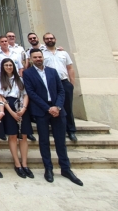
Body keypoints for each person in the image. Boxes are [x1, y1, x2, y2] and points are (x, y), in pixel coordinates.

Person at [24, 49, 83, 186]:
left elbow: (61, 90)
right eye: (35, 57)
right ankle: (48, 169)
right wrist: (47, 108)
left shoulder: (52, 71)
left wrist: (57, 106)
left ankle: (65, 169)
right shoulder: (28, 73)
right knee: (44, 141)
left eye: (40, 56)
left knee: (60, 141)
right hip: (42, 111)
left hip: (57, 110)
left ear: (43, 57)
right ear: (31, 59)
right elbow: (31, 93)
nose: (38, 59)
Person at [0, 58, 34, 179]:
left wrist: (23, 109)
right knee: (12, 136)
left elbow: (25, 95)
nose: (8, 67)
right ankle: (17, 164)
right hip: (9, 107)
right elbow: (1, 98)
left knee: (23, 136)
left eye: (10, 65)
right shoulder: (0, 80)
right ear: (2, 67)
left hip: (21, 107)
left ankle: (25, 164)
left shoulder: (21, 79)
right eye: (6, 65)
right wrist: (11, 112)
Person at [42, 32, 77, 142]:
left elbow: (70, 68)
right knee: (53, 106)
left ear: (55, 39)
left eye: (51, 38)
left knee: (67, 107)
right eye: (47, 39)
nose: (49, 40)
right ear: (44, 41)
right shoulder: (42, 54)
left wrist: (71, 83)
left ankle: (71, 131)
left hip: (64, 82)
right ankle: (56, 129)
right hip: (50, 84)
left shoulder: (63, 53)